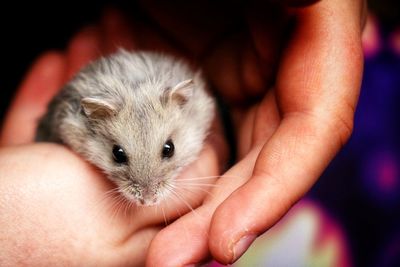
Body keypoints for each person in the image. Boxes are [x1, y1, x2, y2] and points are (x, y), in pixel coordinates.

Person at [0, 0, 366, 265]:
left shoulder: (194, 101)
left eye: (167, 149)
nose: (147, 192)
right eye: (120, 154)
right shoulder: (83, 115)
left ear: (186, 103)